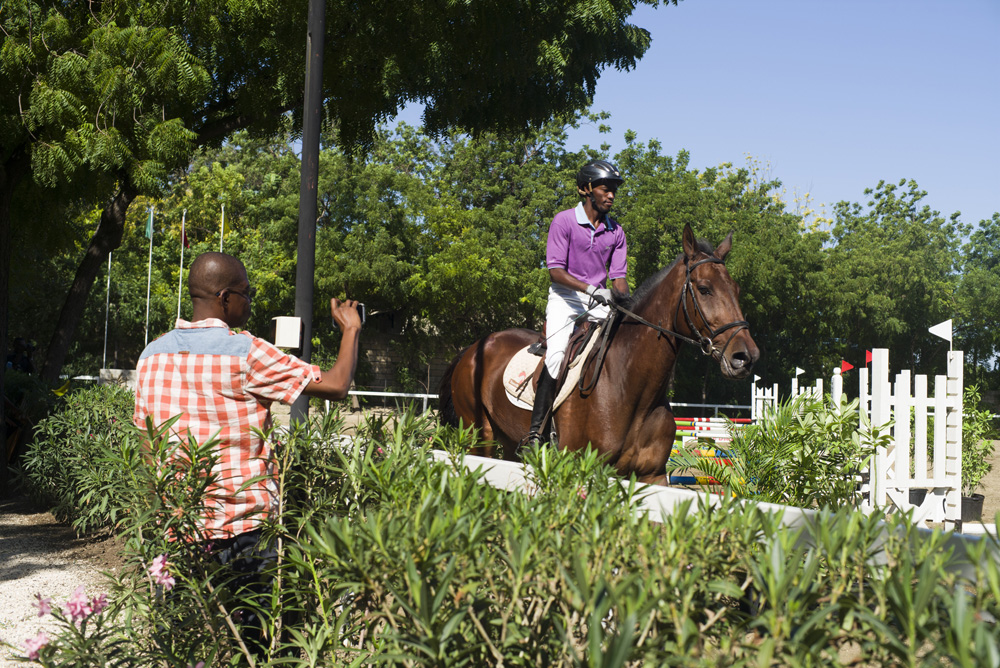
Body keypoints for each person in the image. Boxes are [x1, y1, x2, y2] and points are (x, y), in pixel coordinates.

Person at [133, 251, 362, 644]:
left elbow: (147, 445)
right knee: (260, 643)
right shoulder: (248, 352)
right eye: (246, 293)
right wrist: (351, 330)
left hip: (179, 529)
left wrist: (164, 515)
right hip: (246, 532)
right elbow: (338, 384)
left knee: (181, 644)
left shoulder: (151, 356)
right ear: (224, 298)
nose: (249, 301)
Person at [526, 159, 630, 446]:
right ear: (586, 189)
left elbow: (619, 278)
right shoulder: (564, 221)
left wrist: (628, 303)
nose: (611, 196)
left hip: (600, 302)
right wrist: (590, 288)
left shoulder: (616, 232)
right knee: (558, 354)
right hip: (566, 299)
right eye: (605, 189)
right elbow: (555, 271)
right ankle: (536, 433)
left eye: (614, 191)